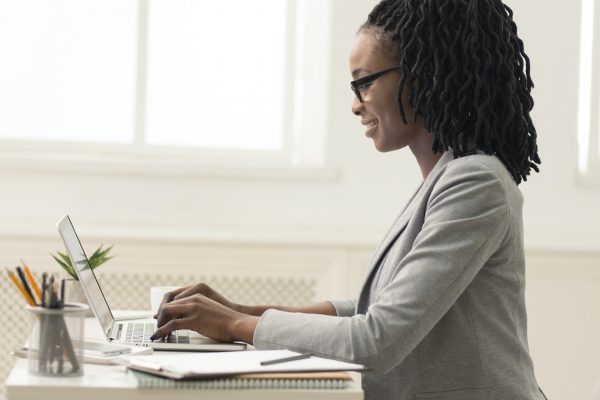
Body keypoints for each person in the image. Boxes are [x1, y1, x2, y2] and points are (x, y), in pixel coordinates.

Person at [150, 0, 545, 399]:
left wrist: (236, 326)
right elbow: (375, 308)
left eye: (365, 82)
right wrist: (242, 311)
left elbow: (376, 338)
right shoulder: (446, 178)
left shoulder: (476, 182)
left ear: (424, 76)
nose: (356, 104)